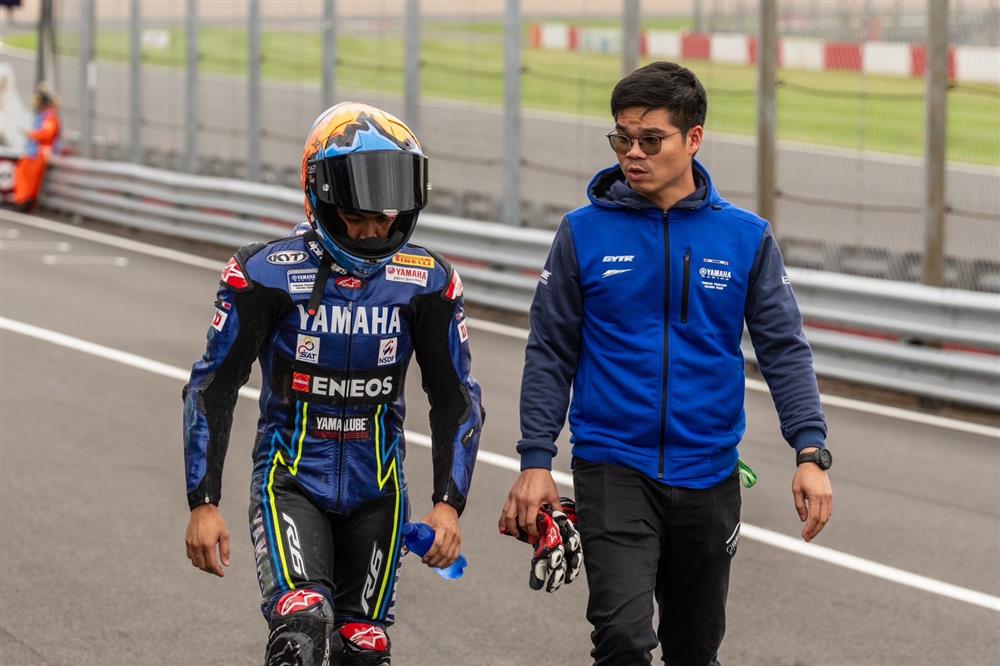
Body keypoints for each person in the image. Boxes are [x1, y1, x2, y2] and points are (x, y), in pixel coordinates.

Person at [499, 62, 833, 666]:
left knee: (694, 650)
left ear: (693, 138)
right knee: (623, 640)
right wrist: (535, 460)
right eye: (622, 138)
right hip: (612, 468)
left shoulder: (746, 237)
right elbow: (550, 350)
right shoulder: (582, 233)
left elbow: (784, 349)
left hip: (710, 474)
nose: (633, 153)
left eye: (651, 140)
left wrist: (810, 452)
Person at [183, 102, 484, 666]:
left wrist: (448, 505)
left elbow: (457, 398)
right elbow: (212, 388)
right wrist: (204, 502)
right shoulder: (263, 273)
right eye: (355, 215)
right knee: (301, 627)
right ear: (318, 195)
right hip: (290, 482)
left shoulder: (430, 282)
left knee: (363, 648)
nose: (373, 229)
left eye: (386, 216)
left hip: (380, 493)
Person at [5, 81, 60, 212]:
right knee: (22, 173)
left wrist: (31, 134)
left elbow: (47, 134)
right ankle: (23, 200)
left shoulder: (50, 118)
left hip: (39, 154)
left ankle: (25, 201)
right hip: (33, 152)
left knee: (28, 177)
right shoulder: (42, 117)